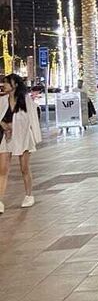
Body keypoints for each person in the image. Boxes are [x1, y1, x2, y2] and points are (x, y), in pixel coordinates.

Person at [0, 73, 42, 212]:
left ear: (15, 85)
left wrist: (36, 137)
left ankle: (29, 195)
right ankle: (0, 201)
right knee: (3, 169)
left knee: (24, 168)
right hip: (7, 138)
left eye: (7, 82)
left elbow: (32, 119)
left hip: (23, 137)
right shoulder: (2, 101)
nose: (4, 85)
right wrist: (5, 126)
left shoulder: (25, 100)